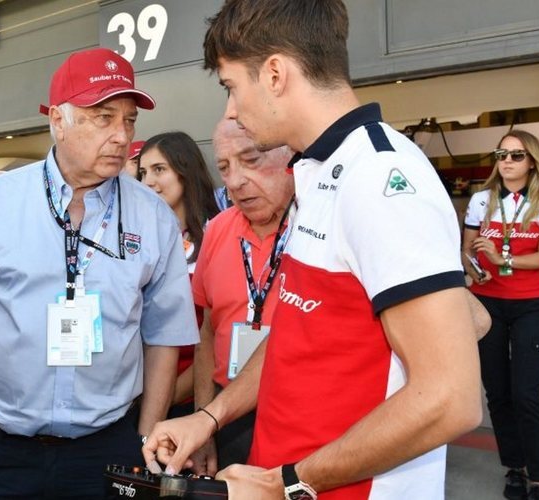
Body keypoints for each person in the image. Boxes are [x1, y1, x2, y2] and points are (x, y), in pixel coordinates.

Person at [142, 1, 484, 499]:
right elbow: (292, 337)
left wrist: (288, 483)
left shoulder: (383, 179)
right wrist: (209, 416)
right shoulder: (319, 173)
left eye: (231, 86)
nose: (230, 110)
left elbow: (450, 399)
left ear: (275, 73)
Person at [0, 47, 198, 500]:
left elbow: (164, 337)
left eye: (129, 120)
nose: (122, 136)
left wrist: (145, 439)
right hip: (1, 449)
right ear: (58, 120)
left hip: (108, 449)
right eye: (103, 117)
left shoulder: (153, 218)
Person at [188, 119, 294, 473]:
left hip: (298, 417)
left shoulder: (318, 227)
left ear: (290, 156)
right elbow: (206, 331)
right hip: (227, 413)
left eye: (251, 160)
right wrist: (204, 422)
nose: (234, 181)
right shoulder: (217, 229)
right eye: (224, 167)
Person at [463, 130, 539, 500]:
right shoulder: (480, 199)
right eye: (501, 154)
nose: (506, 161)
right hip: (486, 304)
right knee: (498, 394)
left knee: (526, 394)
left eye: (516, 155)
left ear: (532, 160)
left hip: (530, 305)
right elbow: (466, 251)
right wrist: (475, 267)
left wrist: (503, 258)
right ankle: (514, 469)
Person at [136, 131, 220, 418]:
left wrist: (165, 398)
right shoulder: (139, 243)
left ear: (186, 172)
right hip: (137, 398)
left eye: (159, 170)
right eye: (143, 172)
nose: (148, 182)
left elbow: (214, 337)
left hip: (192, 402)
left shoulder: (216, 236)